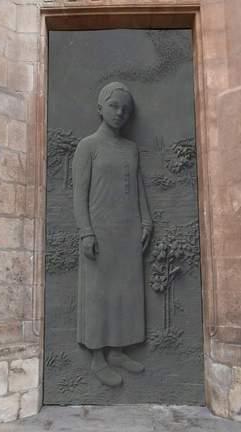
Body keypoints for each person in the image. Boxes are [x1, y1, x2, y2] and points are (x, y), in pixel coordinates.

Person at [72, 82, 152, 387]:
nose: (120, 113)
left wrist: (146, 222)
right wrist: (86, 232)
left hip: (128, 232)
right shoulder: (88, 147)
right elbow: (79, 195)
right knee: (99, 295)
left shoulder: (130, 149)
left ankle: (118, 351)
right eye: (114, 106)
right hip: (99, 234)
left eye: (125, 109)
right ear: (100, 108)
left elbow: (139, 188)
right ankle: (97, 359)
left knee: (125, 294)